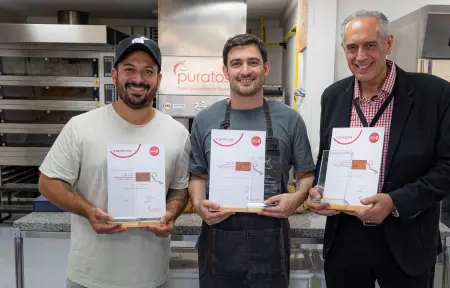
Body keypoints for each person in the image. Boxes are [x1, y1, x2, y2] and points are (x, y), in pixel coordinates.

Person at [307, 10, 450, 288]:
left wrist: (395, 202)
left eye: (370, 45)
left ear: (388, 44)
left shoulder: (432, 93)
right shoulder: (333, 96)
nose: (361, 56)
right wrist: (321, 189)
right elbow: (329, 158)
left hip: (406, 238)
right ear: (344, 49)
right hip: (346, 241)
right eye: (352, 47)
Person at [38, 34, 191, 288]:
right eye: (129, 69)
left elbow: (180, 186)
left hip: (151, 276)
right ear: (115, 75)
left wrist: (171, 212)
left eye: (148, 71)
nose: (138, 79)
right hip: (90, 276)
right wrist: (88, 211)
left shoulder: (177, 134)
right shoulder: (81, 127)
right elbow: (48, 182)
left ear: (159, 79)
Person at [188, 34, 316, 288]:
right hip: (218, 239)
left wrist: (297, 198)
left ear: (266, 68)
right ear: (225, 71)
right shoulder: (204, 120)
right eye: (236, 64)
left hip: (270, 241)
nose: (245, 71)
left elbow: (306, 175)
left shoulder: (290, 120)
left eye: (253, 62)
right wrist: (198, 202)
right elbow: (197, 175)